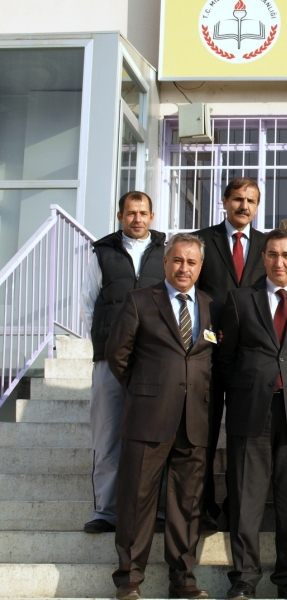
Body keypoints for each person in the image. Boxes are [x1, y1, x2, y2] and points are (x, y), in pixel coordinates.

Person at [106, 233, 218, 600]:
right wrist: (146, 391)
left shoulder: (210, 305)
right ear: (165, 263)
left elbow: (212, 361)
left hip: (194, 421)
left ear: (200, 267)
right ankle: (129, 580)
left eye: (191, 262)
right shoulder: (140, 301)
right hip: (148, 417)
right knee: (137, 500)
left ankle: (183, 580)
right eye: (177, 260)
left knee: (187, 505)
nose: (184, 267)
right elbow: (118, 356)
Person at [218, 229, 287, 600]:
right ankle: (244, 577)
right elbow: (226, 358)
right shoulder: (239, 300)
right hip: (251, 414)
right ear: (262, 258)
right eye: (272, 254)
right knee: (246, 498)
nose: (279, 262)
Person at [81, 191, 166, 534]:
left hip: (154, 360)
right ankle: (107, 510)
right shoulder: (101, 252)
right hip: (110, 359)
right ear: (120, 217)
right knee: (108, 434)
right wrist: (103, 344)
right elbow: (89, 303)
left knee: (156, 437)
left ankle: (156, 510)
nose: (137, 219)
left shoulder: (166, 252)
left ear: (152, 215)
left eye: (143, 212)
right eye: (130, 213)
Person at [193, 178, 267, 531]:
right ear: (224, 201)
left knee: (243, 437)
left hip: (250, 357)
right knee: (203, 436)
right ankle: (203, 507)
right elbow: (191, 292)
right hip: (206, 354)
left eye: (251, 200)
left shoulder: (269, 245)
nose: (244, 206)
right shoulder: (202, 241)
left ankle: (237, 505)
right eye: (238, 199)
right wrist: (210, 330)